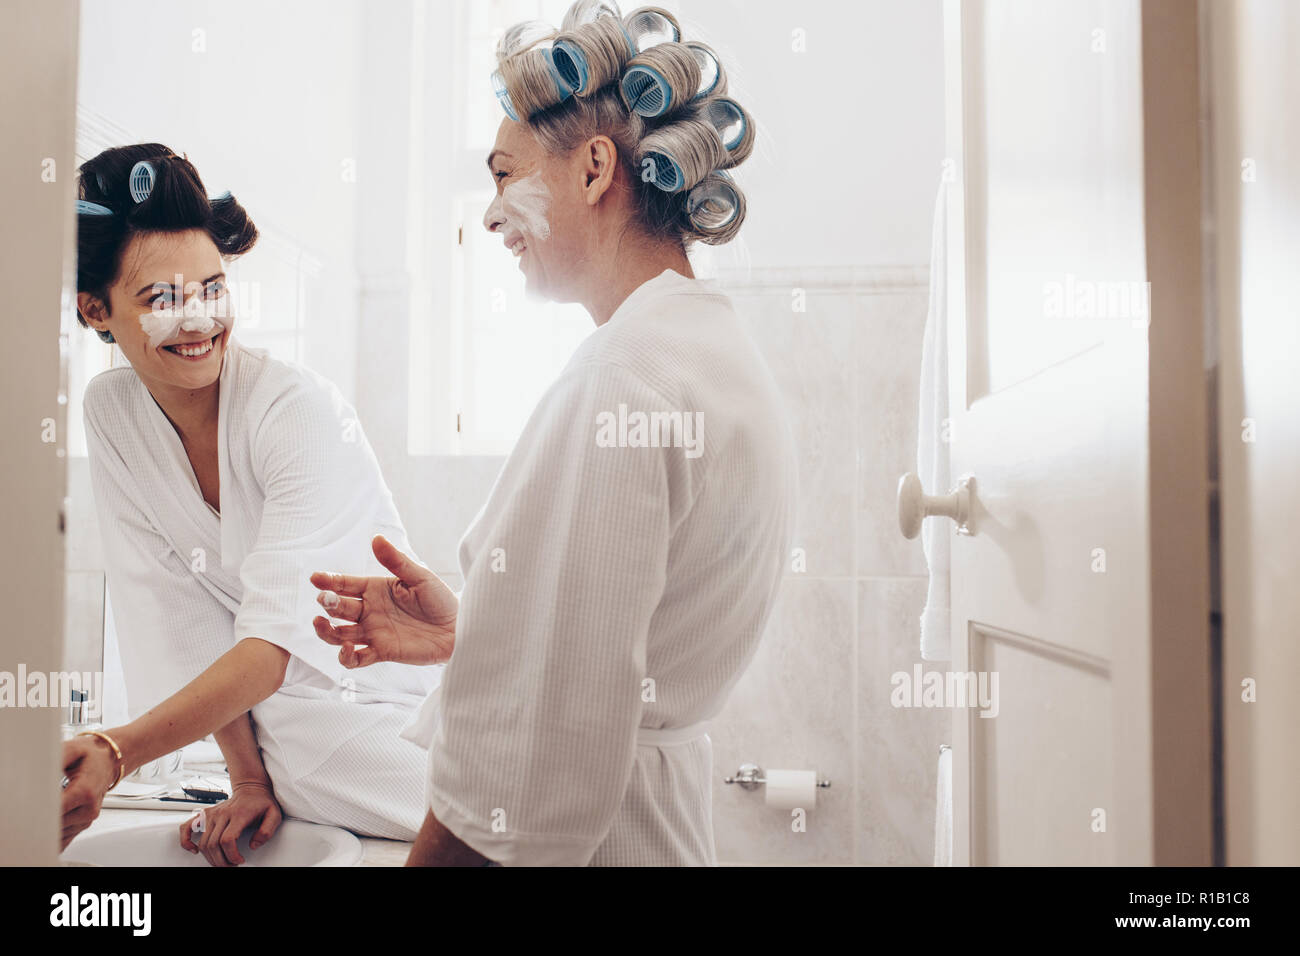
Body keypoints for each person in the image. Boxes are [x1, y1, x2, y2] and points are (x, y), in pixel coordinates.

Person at [309, 0, 796, 866]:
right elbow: (634, 638)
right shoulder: (714, 348)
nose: (492, 216)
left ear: (594, 169)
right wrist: (481, 628)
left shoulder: (622, 378)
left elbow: (527, 766)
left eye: (504, 175)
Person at [59, 144, 442, 866]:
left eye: (213, 287)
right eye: (161, 299)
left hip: (385, 725)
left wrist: (119, 750)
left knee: (507, 820)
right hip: (282, 754)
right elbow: (177, 612)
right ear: (95, 309)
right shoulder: (111, 410)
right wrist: (246, 777)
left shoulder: (292, 410)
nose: (199, 320)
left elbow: (270, 645)